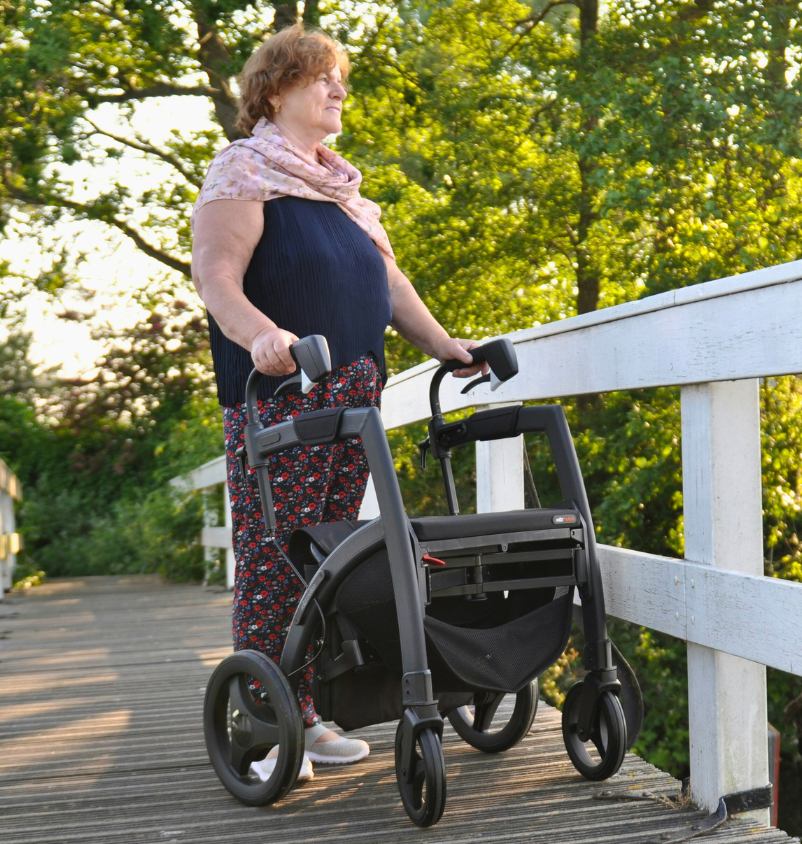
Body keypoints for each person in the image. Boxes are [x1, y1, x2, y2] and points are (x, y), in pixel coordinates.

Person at [190, 24, 485, 784]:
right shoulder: (244, 171)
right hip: (280, 394)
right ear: (279, 87)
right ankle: (261, 720)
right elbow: (217, 278)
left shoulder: (343, 193)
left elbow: (390, 290)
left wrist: (448, 347)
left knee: (327, 557)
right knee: (274, 554)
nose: (338, 90)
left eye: (341, 80)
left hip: (355, 397)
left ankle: (309, 712)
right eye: (324, 78)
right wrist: (261, 335)